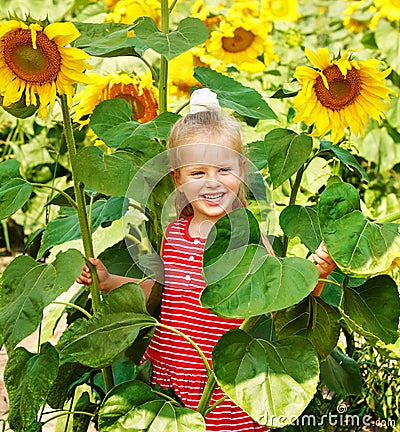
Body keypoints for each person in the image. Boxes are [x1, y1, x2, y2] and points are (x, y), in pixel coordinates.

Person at [77, 88, 336, 431]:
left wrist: (316, 273)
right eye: (197, 173)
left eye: (223, 170)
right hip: (173, 373)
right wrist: (109, 282)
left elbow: (282, 304)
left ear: (241, 170)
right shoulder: (174, 234)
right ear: (178, 179)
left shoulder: (249, 238)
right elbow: (158, 294)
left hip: (225, 380)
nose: (212, 183)